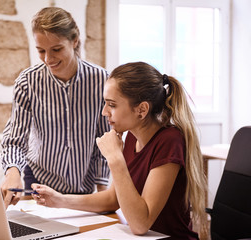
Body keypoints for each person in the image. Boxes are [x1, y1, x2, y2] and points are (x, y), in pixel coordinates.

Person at [31, 62, 207, 239]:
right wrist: (59, 199)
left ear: (142, 110)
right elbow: (112, 199)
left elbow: (140, 224)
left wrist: (115, 158)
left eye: (112, 105)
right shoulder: (131, 136)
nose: (104, 112)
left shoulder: (170, 141)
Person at [0, 7, 110, 208]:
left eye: (56, 49)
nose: (48, 59)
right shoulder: (27, 82)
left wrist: (105, 196)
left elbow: (105, 140)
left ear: (74, 40)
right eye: (41, 50)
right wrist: (12, 172)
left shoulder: (102, 81)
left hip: (83, 187)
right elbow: (15, 139)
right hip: (37, 183)